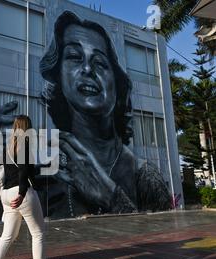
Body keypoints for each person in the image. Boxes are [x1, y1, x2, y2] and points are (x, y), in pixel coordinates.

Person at [37, 11, 172, 217]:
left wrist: (111, 196)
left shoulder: (145, 178)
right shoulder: (47, 172)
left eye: (100, 63)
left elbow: (165, 234)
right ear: (58, 76)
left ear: (117, 84)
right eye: (74, 57)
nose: (88, 69)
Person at [0, 115, 61, 259]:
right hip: (21, 193)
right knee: (38, 234)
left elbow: (9, 172)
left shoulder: (8, 146)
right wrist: (23, 192)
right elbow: (24, 171)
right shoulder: (25, 145)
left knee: (7, 237)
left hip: (6, 195)